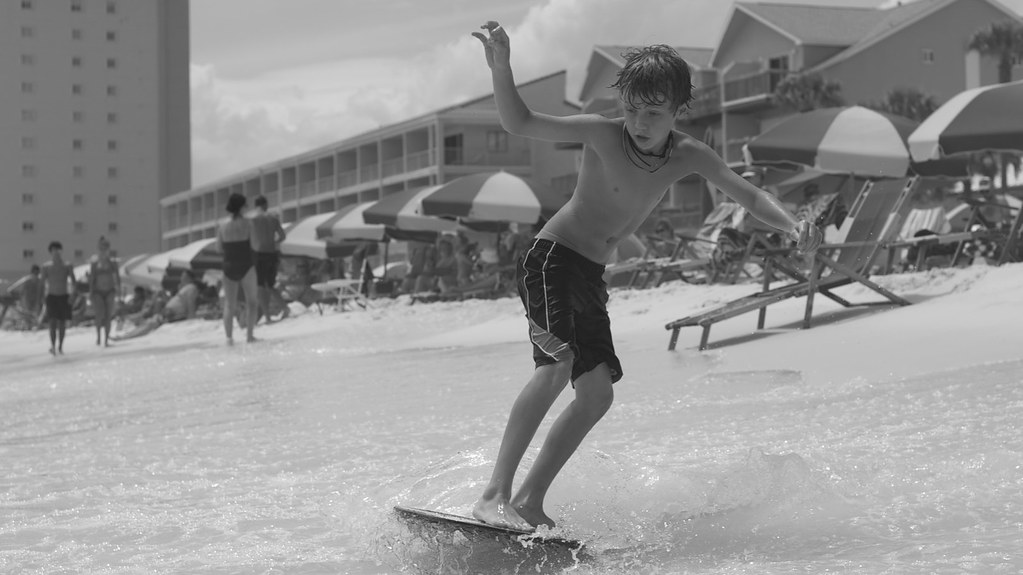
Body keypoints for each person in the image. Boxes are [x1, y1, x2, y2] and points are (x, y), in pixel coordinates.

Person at [468, 22, 823, 531]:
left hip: (589, 274)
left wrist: (793, 226)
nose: (638, 121)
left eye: (653, 113)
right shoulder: (600, 132)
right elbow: (520, 121)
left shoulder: (688, 155)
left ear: (680, 111)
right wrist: (503, 68)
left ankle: (528, 501)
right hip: (551, 259)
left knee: (596, 396)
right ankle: (493, 495)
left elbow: (745, 193)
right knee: (554, 364)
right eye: (631, 108)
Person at [217, 192, 258, 344]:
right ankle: (249, 336)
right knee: (252, 302)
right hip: (246, 263)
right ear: (241, 207)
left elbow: (219, 248)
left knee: (229, 304)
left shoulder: (222, 225)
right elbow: (254, 245)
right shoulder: (248, 224)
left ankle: (229, 338)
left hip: (228, 265)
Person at [111, 271, 198, 341]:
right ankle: (126, 336)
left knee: (150, 324)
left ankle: (126, 337)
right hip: (168, 312)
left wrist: (190, 319)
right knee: (148, 322)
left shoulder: (191, 288)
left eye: (183, 276)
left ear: (188, 278)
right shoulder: (185, 288)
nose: (181, 278)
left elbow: (190, 303)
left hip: (172, 314)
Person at [250, 195, 288, 324]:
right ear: (266, 205)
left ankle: (267, 317)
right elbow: (282, 236)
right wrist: (273, 242)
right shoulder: (273, 218)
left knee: (260, 286)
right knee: (271, 285)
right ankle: (285, 308)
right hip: (272, 253)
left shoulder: (252, 220)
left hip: (258, 254)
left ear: (256, 206)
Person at [40, 241, 77, 355]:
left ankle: (60, 346)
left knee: (62, 323)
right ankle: (52, 345)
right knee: (52, 323)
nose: (56, 252)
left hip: (63, 296)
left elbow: (74, 282)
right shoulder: (46, 267)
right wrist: (42, 297)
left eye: (58, 249)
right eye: (54, 250)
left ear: (61, 251)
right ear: (50, 252)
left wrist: (72, 295)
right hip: (51, 296)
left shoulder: (67, 265)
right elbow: (42, 283)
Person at [89, 236, 121, 346]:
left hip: (110, 290)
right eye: (101, 248)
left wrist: (119, 291)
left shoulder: (112, 263)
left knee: (108, 315)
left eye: (105, 248)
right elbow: (92, 278)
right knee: (99, 314)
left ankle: (106, 339)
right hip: (98, 291)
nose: (103, 251)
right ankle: (98, 336)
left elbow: (117, 277)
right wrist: (91, 292)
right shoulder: (94, 264)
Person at [15, 265, 45, 329]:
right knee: (30, 315)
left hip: (35, 301)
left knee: (32, 315)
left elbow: (22, 292)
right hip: (30, 301)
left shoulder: (38, 281)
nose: (36, 273)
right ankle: (30, 327)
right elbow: (22, 291)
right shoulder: (30, 280)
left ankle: (31, 327)